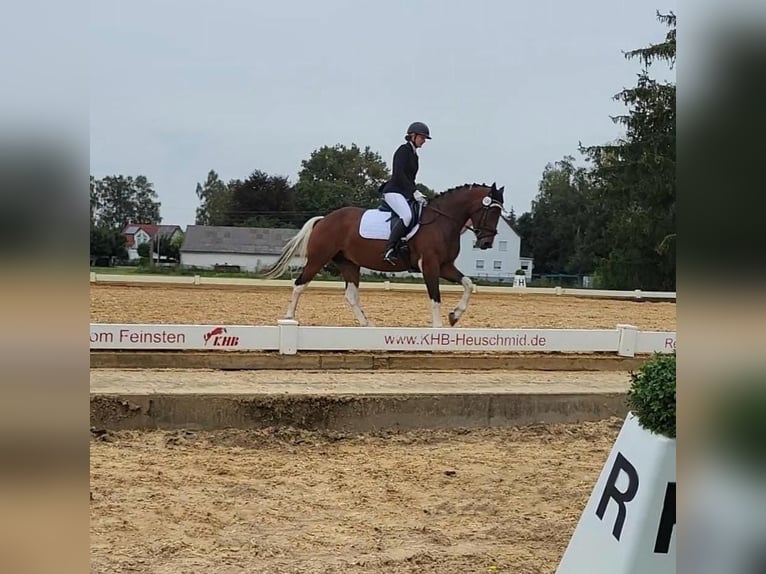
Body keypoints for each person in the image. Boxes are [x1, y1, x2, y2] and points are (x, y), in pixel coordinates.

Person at [380, 121, 431, 264]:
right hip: (393, 191)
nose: (424, 141)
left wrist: (418, 193)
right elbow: (399, 175)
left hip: (404, 193)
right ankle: (390, 249)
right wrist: (413, 191)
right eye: (422, 137)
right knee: (407, 215)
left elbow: (411, 179)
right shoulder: (403, 150)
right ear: (412, 136)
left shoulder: (415, 155)